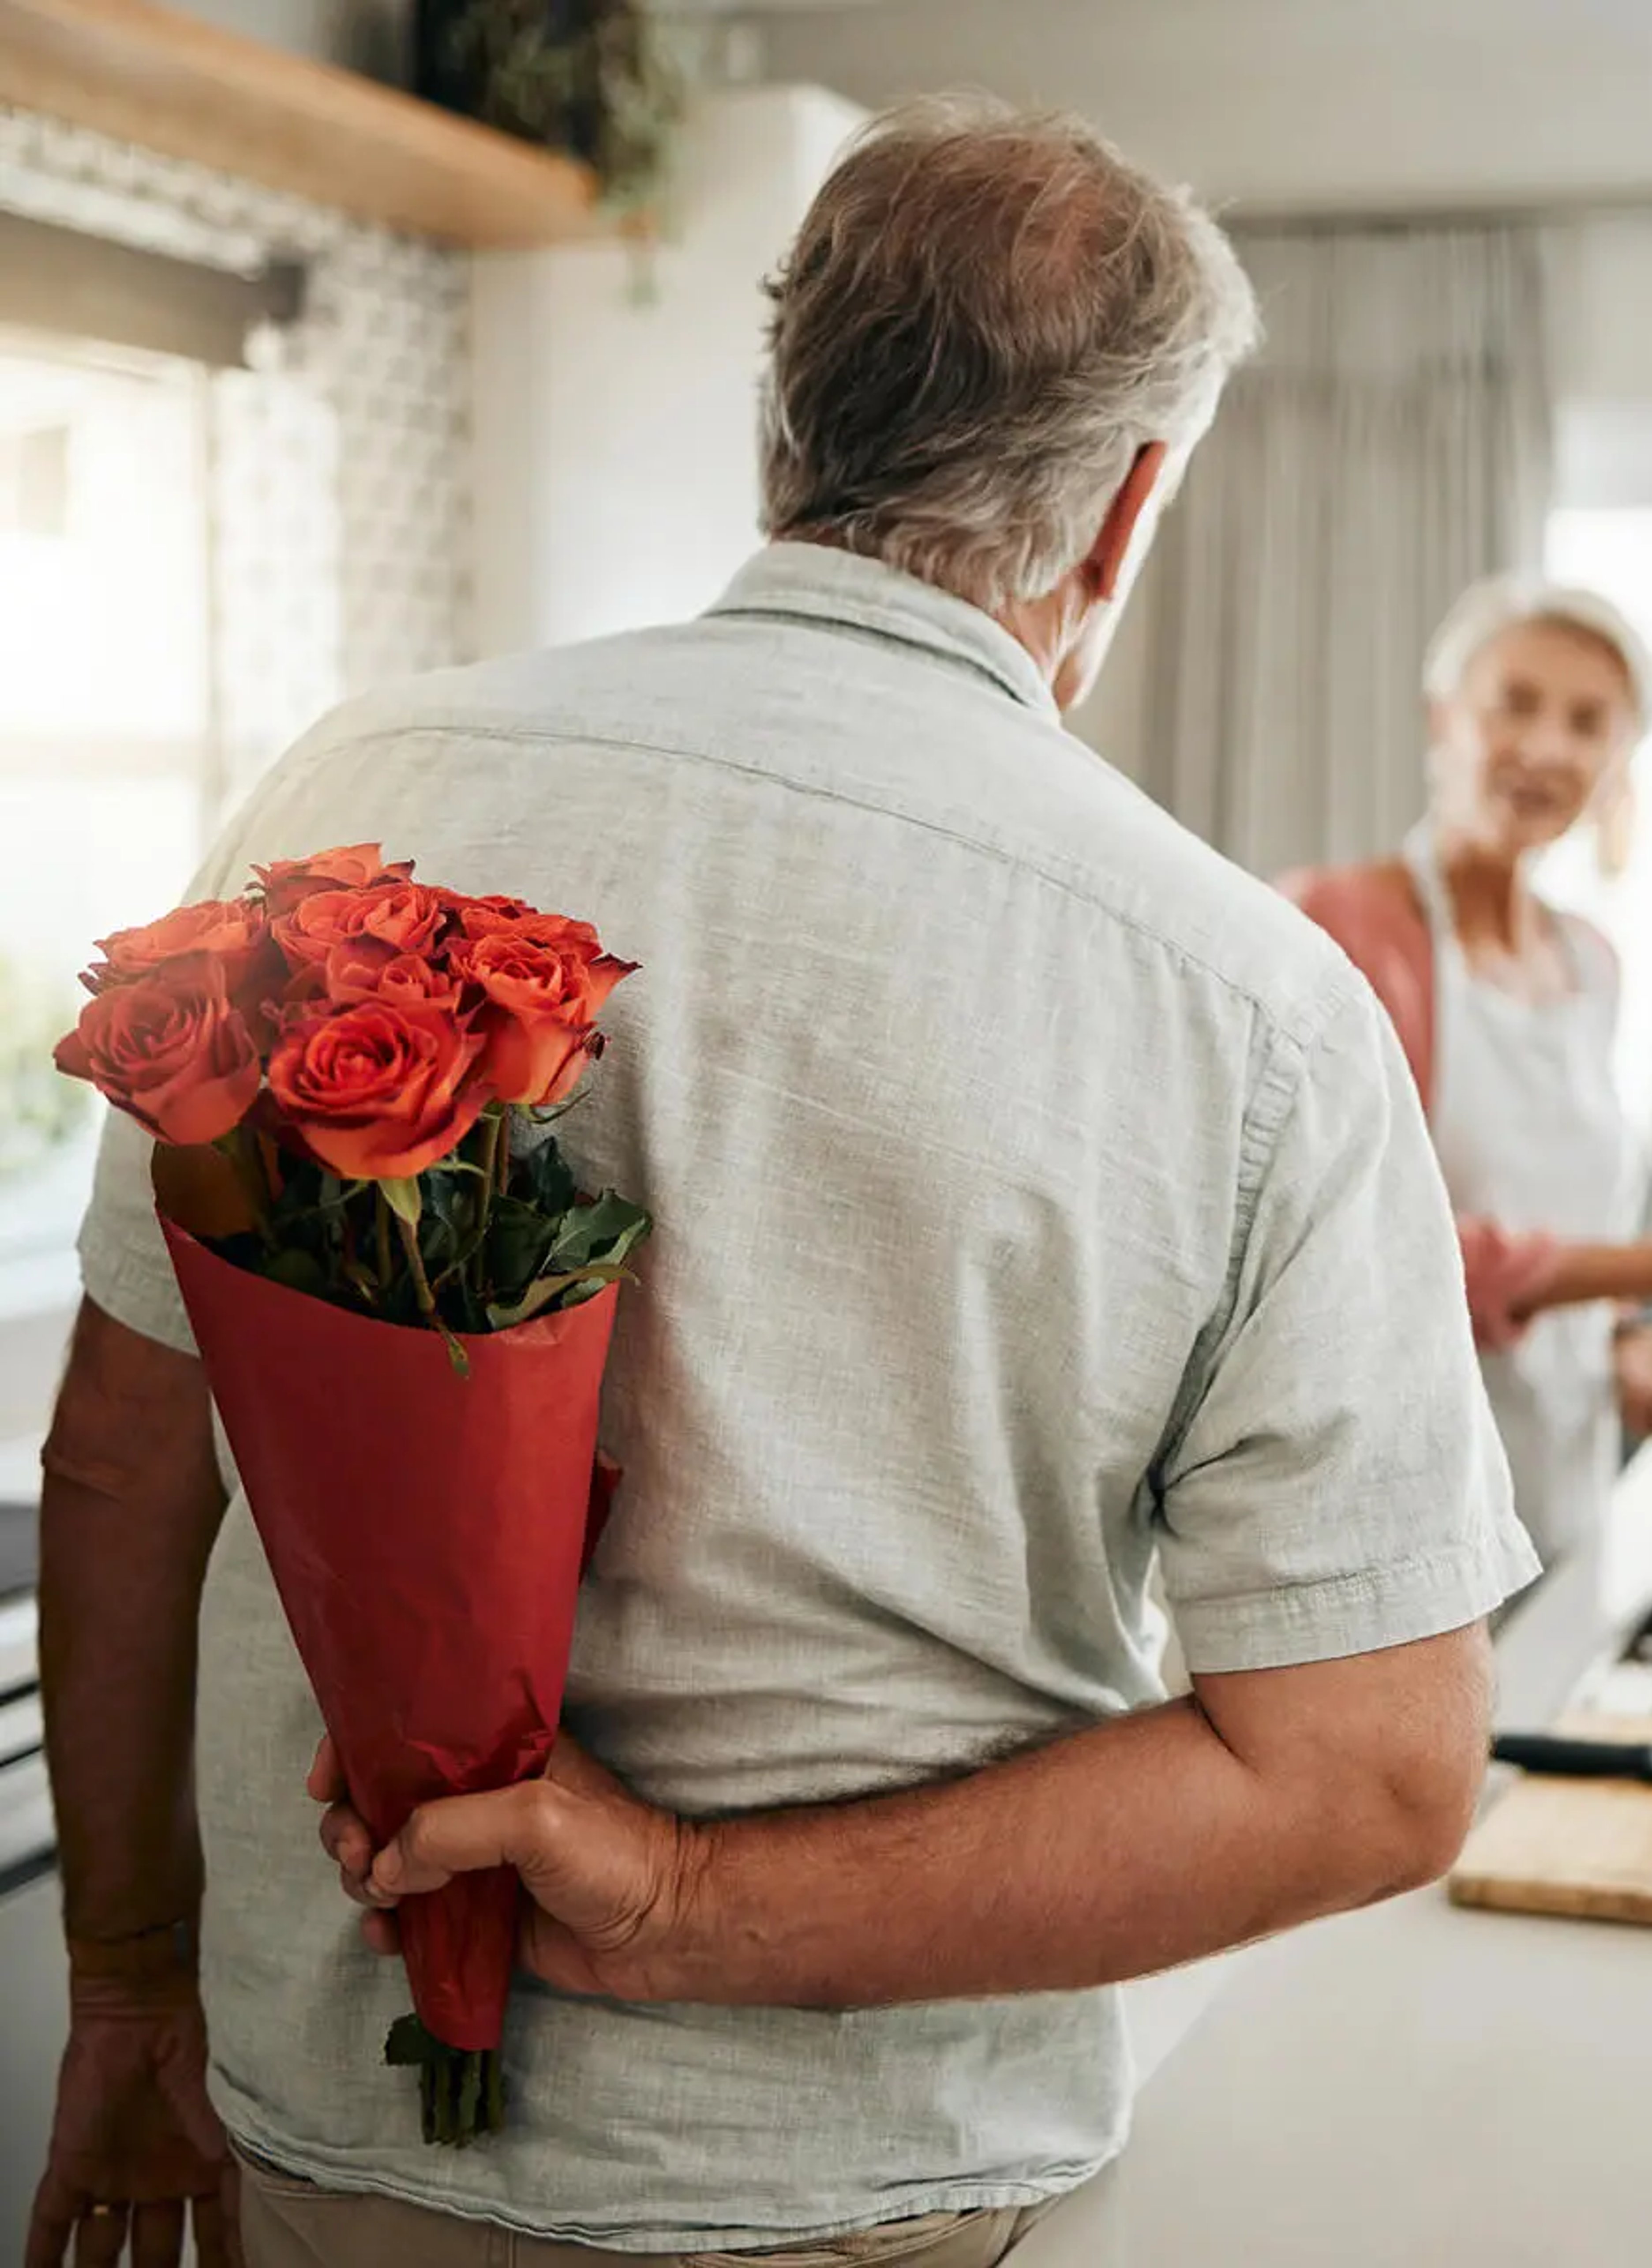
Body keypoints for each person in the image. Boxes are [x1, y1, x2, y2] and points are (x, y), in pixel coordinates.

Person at [33, 97, 1537, 2268]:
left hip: (325, 2142)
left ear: (782, 423)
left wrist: (119, 1984)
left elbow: (118, 1465)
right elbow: (1377, 1771)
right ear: (1126, 511)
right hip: (858, 2196)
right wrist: (677, 1904)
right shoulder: (1252, 1003)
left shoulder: (351, 788)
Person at [1282, 578, 1652, 1568]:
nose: (1549, 748)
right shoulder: (1334, 925)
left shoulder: (1594, 963)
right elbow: (1363, 1241)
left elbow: (1565, 1216)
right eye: (1516, 703)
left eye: (1589, 723)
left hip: (1560, 1491)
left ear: (1617, 759)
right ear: (1444, 720)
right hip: (1386, 1510)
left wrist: (1622, 1339)